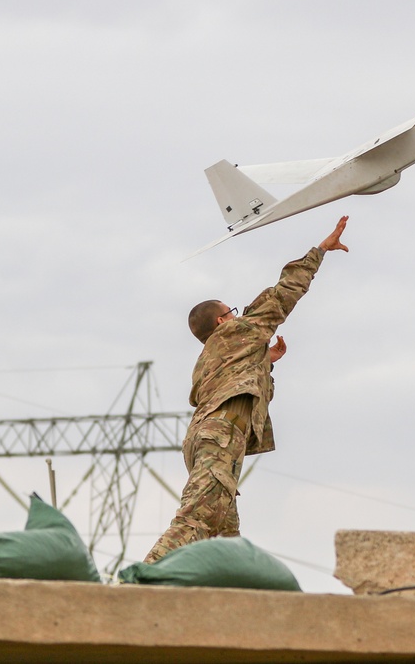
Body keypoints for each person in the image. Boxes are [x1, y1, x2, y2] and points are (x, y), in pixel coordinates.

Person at [144, 216, 349, 563]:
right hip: (220, 436)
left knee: (225, 541)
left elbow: (234, 380)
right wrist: (319, 251)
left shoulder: (213, 354)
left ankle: (226, 604)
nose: (238, 316)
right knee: (194, 519)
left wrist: (265, 361)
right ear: (223, 321)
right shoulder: (233, 334)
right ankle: (137, 583)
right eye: (232, 312)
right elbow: (281, 296)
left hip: (208, 438)